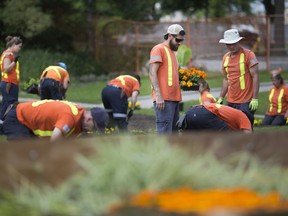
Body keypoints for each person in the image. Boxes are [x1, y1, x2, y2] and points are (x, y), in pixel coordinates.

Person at [2, 100, 109, 142]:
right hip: (18, 119)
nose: (93, 131)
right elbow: (55, 139)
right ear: (89, 119)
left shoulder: (79, 121)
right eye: (94, 128)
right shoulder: (71, 117)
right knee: (22, 154)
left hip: (29, 126)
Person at [217, 29, 259, 126]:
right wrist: (221, 97)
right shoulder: (225, 58)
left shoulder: (249, 55)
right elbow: (226, 79)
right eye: (228, 44)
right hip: (230, 101)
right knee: (231, 128)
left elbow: (255, 76)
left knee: (246, 128)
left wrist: (255, 98)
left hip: (246, 101)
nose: (231, 46)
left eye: (234, 43)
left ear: (238, 41)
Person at [149, 24, 185, 133]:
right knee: (164, 135)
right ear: (170, 36)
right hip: (164, 100)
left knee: (173, 135)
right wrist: (159, 96)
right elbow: (152, 72)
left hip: (174, 99)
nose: (179, 43)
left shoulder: (173, 53)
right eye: (178, 40)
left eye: (181, 41)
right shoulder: (158, 49)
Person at [176, 104, 252, 133]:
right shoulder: (244, 117)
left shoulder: (232, 114)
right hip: (205, 114)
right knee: (228, 136)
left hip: (191, 112)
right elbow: (248, 136)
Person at [0, 36, 23, 121]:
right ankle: (9, 123)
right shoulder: (8, 54)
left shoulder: (8, 54)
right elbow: (6, 69)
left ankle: (2, 123)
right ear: (13, 44)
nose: (20, 49)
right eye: (19, 46)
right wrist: (14, 61)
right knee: (11, 104)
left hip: (9, 83)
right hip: (9, 84)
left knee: (5, 104)